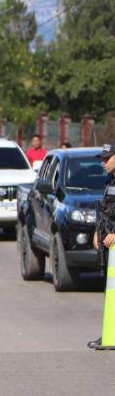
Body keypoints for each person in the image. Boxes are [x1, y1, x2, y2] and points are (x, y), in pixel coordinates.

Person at [89, 142, 115, 349]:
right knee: (110, 291)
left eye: (107, 158)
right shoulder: (109, 181)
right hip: (108, 245)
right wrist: (97, 232)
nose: (103, 163)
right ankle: (109, 332)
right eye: (102, 159)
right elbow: (105, 210)